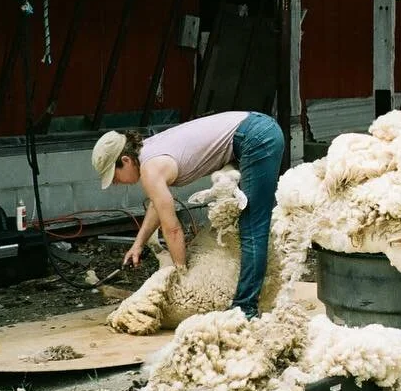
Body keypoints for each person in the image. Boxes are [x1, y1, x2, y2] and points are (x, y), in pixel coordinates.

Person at [90, 111, 284, 318]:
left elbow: (172, 229)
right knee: (250, 224)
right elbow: (158, 206)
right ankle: (248, 298)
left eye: (114, 176)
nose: (116, 183)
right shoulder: (148, 152)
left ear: (126, 160)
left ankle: (245, 310)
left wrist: (181, 274)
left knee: (253, 227)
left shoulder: (150, 169)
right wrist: (138, 244)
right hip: (253, 131)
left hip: (255, 136)